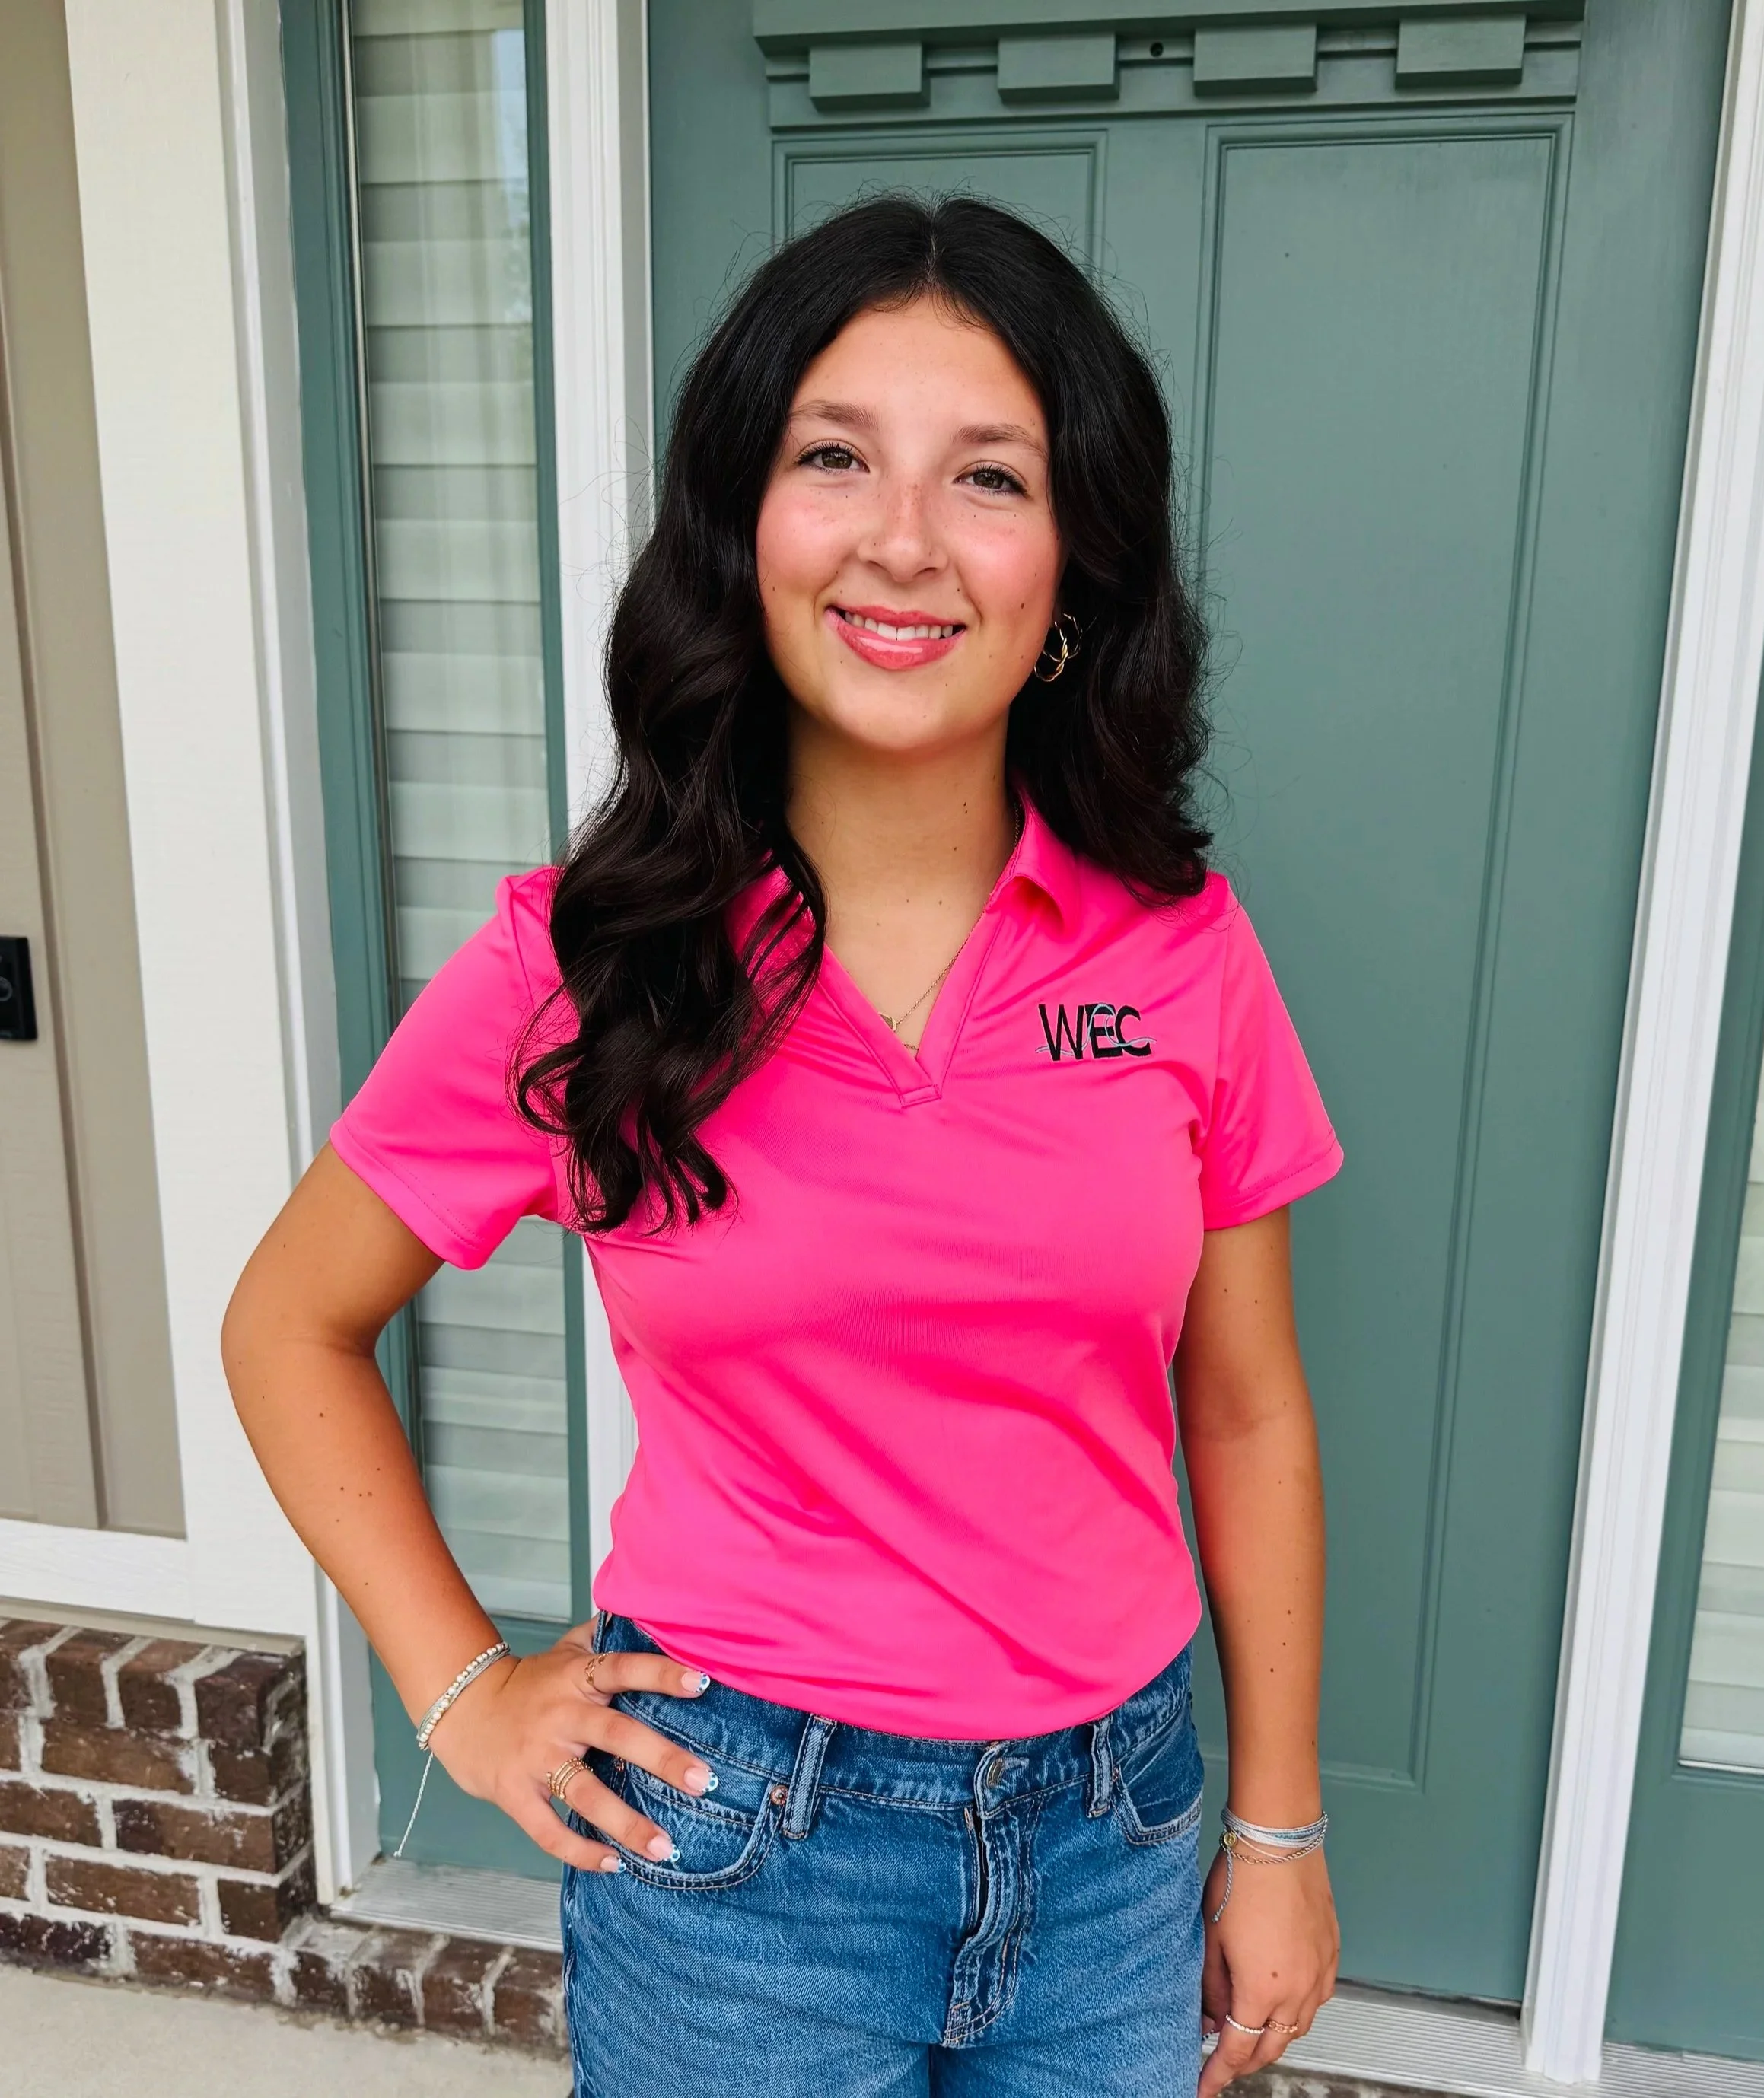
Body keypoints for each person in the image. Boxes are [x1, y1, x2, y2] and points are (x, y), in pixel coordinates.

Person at [224, 195, 1342, 2098]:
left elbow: (1241, 1410)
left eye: (986, 475)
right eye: (834, 457)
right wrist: (464, 1689)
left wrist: (1276, 1828)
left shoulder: (1179, 953)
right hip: (741, 1852)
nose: (903, 537)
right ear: (741, 525)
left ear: (1070, 565)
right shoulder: (586, 963)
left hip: (1117, 1837)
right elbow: (287, 1322)